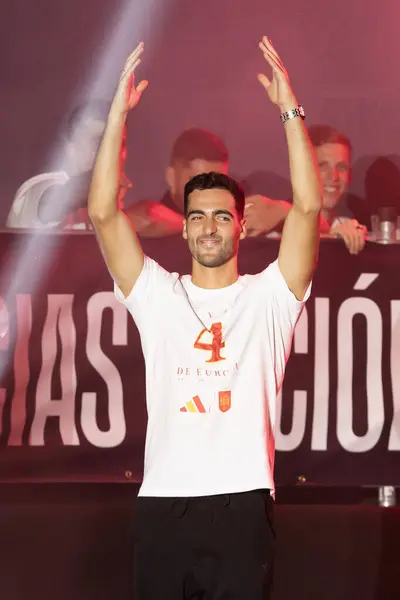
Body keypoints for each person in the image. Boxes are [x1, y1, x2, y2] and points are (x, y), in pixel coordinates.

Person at [89, 37, 321, 600]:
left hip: (241, 505)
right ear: (187, 228)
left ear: (240, 227)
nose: (210, 227)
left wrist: (290, 110)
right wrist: (116, 115)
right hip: (163, 505)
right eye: (199, 217)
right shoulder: (157, 294)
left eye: (223, 216)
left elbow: (309, 208)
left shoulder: (270, 296)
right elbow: (102, 212)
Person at [126, 127, 308, 237]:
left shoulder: (237, 211)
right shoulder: (156, 215)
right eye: (196, 181)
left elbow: (320, 224)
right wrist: (217, 230)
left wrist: (283, 211)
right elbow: (143, 218)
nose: (208, 190)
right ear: (171, 177)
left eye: (217, 181)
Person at [6, 101, 132, 230]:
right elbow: (51, 204)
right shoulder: (37, 187)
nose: (111, 152)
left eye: (119, 144)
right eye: (98, 141)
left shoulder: (111, 211)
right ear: (71, 149)